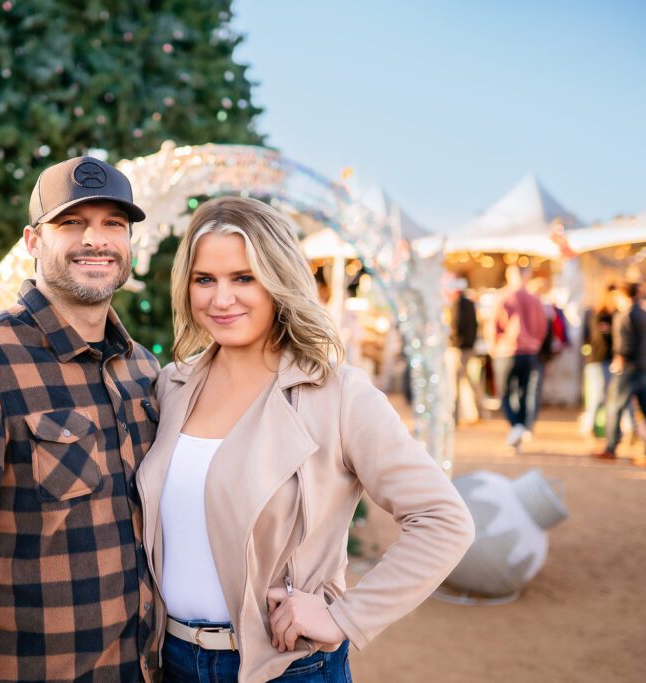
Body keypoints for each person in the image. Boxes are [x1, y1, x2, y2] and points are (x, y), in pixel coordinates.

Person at [136, 197, 475, 682]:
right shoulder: (172, 385)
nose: (221, 298)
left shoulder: (337, 394)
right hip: (170, 662)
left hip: (287, 666)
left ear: (278, 280)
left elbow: (444, 519)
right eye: (204, 279)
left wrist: (345, 617)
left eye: (243, 278)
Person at [0, 156, 161, 682]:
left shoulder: (143, 370)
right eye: (72, 223)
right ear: (34, 241)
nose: (96, 239)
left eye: (114, 224)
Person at [488, 265, 548, 450]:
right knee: (524, 392)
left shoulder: (503, 297)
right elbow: (542, 327)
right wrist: (535, 343)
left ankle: (516, 425)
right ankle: (520, 427)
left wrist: (493, 345)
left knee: (505, 392)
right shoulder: (535, 299)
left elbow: (493, 324)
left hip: (507, 351)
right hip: (529, 352)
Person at [594, 282, 646, 461]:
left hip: (628, 369)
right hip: (643, 368)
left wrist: (619, 360)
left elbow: (625, 344)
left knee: (614, 407)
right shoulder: (643, 314)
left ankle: (611, 447)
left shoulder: (624, 316)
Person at [446, 279, 487, 424]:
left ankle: (455, 416)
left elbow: (456, 325)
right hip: (469, 347)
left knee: (457, 382)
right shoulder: (470, 304)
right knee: (471, 380)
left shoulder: (458, 304)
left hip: (460, 348)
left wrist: (453, 340)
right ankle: (481, 411)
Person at [581, 286, 616, 436]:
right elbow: (596, 339)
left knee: (606, 395)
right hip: (599, 360)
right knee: (598, 395)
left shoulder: (615, 315)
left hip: (606, 360)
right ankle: (589, 426)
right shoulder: (598, 315)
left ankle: (597, 427)